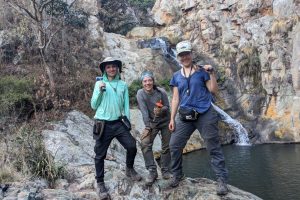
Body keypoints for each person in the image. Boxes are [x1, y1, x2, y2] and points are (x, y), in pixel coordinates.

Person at [167, 41, 229, 195]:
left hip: (204, 113)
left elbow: (213, 90)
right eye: (181, 55)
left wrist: (212, 73)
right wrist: (171, 119)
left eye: (187, 54)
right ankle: (177, 175)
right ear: (178, 57)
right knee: (174, 145)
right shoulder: (176, 76)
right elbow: (175, 98)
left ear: (191, 54)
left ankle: (221, 180)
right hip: (185, 115)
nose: (184, 57)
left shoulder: (202, 71)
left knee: (213, 146)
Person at [91, 57, 142, 199]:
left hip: (119, 123)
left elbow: (126, 105)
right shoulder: (99, 84)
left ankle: (129, 168)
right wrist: (100, 91)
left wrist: (128, 122)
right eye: (108, 67)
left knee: (132, 146)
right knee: (99, 155)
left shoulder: (123, 84)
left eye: (114, 66)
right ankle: (100, 183)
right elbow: (94, 105)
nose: (111, 69)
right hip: (103, 124)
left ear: (117, 68)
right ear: (104, 69)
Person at [136, 70, 172, 186]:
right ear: (142, 83)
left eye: (149, 80)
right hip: (152, 123)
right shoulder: (140, 93)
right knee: (145, 143)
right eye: (145, 81)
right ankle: (152, 171)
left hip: (165, 121)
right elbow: (144, 111)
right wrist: (147, 127)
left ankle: (165, 171)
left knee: (166, 146)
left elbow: (167, 106)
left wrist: (161, 110)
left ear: (153, 81)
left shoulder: (161, 92)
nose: (147, 83)